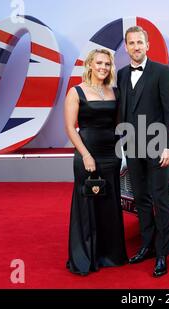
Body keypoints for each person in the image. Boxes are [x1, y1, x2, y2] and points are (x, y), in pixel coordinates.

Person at [117, 26, 169, 277]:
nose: (136, 47)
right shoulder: (121, 74)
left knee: (160, 200)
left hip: (157, 146)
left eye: (139, 42)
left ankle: (162, 254)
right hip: (131, 146)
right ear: (127, 47)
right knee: (141, 198)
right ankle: (147, 246)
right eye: (131, 43)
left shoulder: (162, 72)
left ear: (147, 45)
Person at [65, 49, 128, 275]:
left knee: (109, 204)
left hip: (111, 154)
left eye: (107, 64)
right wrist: (86, 155)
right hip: (87, 155)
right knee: (88, 203)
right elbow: (71, 128)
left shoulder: (115, 92)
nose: (103, 67)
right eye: (99, 63)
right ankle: (86, 256)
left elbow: (121, 125)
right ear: (90, 64)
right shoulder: (76, 91)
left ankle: (109, 255)